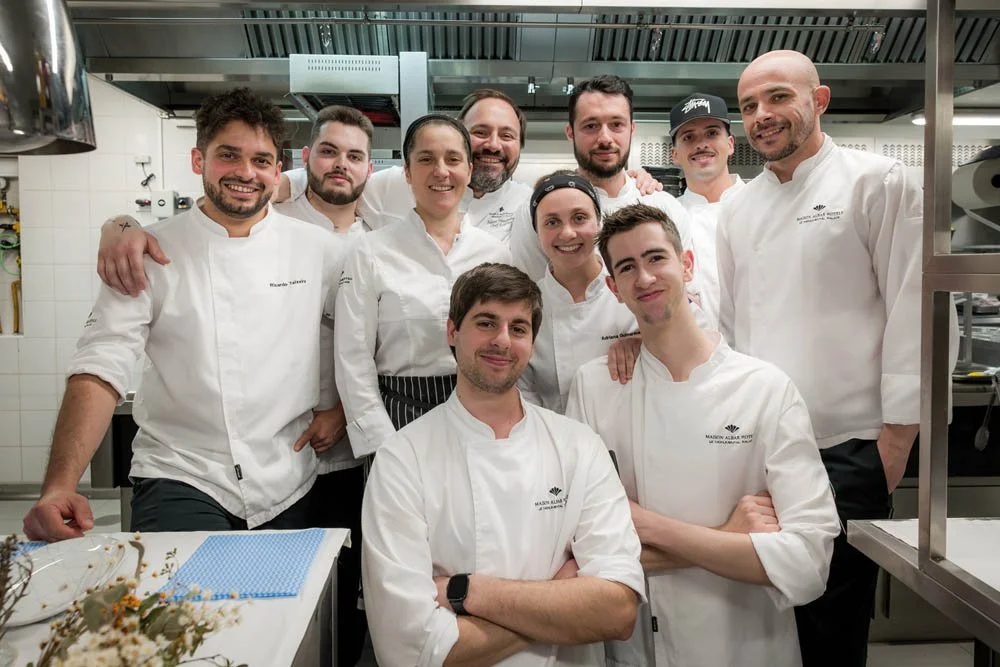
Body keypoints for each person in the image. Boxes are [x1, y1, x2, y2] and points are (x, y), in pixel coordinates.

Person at [717, 50, 957, 667]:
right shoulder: (737, 210)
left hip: (849, 450)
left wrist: (895, 443)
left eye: (777, 98)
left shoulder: (877, 181)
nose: (762, 116)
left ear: (818, 101)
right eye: (748, 106)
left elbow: (918, 310)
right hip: (760, 452)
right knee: (762, 628)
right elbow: (728, 327)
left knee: (831, 629)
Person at [22, 87, 346, 540]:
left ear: (277, 170)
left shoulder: (321, 251)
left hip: (288, 480)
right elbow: (101, 364)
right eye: (228, 156)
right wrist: (59, 486)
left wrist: (341, 410)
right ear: (199, 160)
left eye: (260, 160)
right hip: (181, 474)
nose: (244, 173)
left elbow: (358, 342)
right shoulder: (149, 252)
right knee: (181, 609)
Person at [566, 203, 840, 667]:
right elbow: (580, 551)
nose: (645, 278)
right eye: (627, 267)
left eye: (656, 258)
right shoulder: (595, 387)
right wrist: (727, 537)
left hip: (744, 644)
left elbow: (810, 562)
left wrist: (648, 526)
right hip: (637, 647)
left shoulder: (764, 389)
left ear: (687, 264)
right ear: (613, 287)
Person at [362, 262, 645, 667]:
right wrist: (562, 599)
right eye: (486, 322)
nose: (502, 341)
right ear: (452, 331)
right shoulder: (402, 460)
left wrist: (465, 592)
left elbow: (617, 612)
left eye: (518, 328)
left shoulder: (579, 447)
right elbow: (412, 649)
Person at [335, 114, 511, 460]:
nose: (441, 171)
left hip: (482, 417)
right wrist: (382, 443)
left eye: (453, 159)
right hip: (399, 417)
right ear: (407, 171)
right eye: (426, 159)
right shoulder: (371, 251)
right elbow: (352, 357)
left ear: (469, 168)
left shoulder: (494, 253)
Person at [509, 75, 694, 282]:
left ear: (632, 129)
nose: (605, 138)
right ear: (570, 133)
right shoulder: (537, 211)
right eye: (591, 126)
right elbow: (529, 294)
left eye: (616, 124)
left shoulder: (664, 205)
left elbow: (685, 291)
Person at [517, 170, 637, 413]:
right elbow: (522, 393)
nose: (568, 233)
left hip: (629, 441)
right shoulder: (525, 308)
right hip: (552, 440)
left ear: (599, 222)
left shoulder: (633, 291)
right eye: (551, 222)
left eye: (580, 218)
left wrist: (647, 342)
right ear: (536, 232)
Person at [669, 92, 744, 329]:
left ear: (730, 144)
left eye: (712, 133)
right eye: (689, 137)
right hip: (697, 358)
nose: (701, 144)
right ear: (675, 155)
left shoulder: (764, 203)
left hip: (766, 354)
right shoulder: (667, 216)